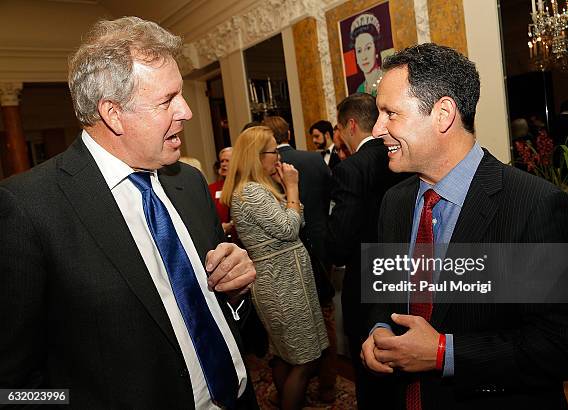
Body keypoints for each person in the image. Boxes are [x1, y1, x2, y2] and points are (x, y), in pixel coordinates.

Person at [0, 17, 258, 409]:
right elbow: (11, 386)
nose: (186, 111)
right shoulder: (28, 208)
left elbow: (211, 306)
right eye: (167, 99)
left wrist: (236, 289)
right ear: (113, 114)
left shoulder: (188, 182)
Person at [361, 43, 568, 409]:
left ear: (442, 114)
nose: (377, 129)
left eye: (389, 113)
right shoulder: (394, 202)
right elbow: (385, 294)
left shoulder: (537, 205)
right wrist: (378, 330)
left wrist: (444, 352)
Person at [221, 126, 328, 410]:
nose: (278, 158)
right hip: (281, 282)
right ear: (257, 156)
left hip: (284, 278)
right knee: (305, 359)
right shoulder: (253, 192)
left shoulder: (260, 188)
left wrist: (287, 192)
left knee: (285, 355)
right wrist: (292, 188)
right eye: (273, 152)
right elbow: (289, 227)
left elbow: (297, 221)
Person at [326, 92, 407, 408]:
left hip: (366, 282)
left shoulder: (352, 168)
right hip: (405, 276)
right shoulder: (404, 159)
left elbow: (339, 244)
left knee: (370, 371)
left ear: (350, 124)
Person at [262, 116, 337, 402]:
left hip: (282, 262)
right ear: (289, 133)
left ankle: (299, 385)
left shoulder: (264, 169)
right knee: (324, 316)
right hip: (318, 248)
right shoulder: (314, 160)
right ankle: (327, 385)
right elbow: (332, 196)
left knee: (291, 328)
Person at [349, 13, 384, 95]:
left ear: (376, 51)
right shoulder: (360, 90)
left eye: (368, 48)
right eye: (359, 51)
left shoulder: (387, 80)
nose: (364, 57)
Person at [208, 147, 233, 235]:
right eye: (222, 161)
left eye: (227, 161)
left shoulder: (243, 186)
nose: (223, 164)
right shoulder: (212, 188)